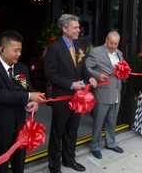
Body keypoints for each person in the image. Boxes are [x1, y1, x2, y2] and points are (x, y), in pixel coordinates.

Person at [0, 30, 46, 173]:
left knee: (19, 164)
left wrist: (32, 103)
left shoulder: (21, 69)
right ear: (2, 49)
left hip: (20, 127)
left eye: (20, 50)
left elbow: (26, 89)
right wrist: (28, 96)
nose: (19, 54)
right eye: (15, 50)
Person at [44, 14, 97, 173]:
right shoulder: (54, 48)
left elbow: (82, 69)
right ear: (64, 28)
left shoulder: (78, 45)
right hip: (62, 97)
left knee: (72, 130)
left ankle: (69, 160)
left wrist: (91, 78)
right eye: (75, 27)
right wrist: (70, 84)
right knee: (57, 132)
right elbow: (50, 74)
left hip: (78, 98)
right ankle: (54, 166)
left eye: (78, 27)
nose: (78, 30)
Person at [85, 30, 124, 159]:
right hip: (102, 92)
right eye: (111, 43)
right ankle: (95, 146)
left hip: (116, 92)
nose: (113, 46)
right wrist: (97, 76)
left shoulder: (119, 53)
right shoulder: (96, 52)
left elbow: (122, 69)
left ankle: (111, 143)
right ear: (106, 40)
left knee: (112, 121)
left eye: (116, 44)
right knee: (98, 121)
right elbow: (87, 68)